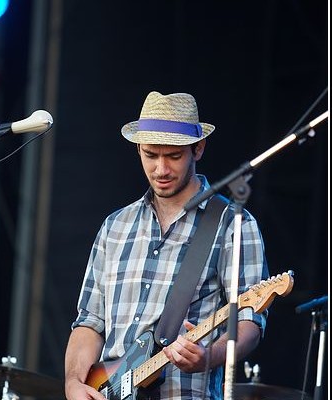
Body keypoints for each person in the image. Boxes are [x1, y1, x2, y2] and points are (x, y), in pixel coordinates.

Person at [64, 91, 269, 400]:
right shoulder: (115, 226)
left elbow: (249, 322)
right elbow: (89, 322)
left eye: (173, 156)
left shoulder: (233, 224)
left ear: (198, 148)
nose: (161, 169)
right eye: (150, 154)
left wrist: (207, 357)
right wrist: (74, 384)